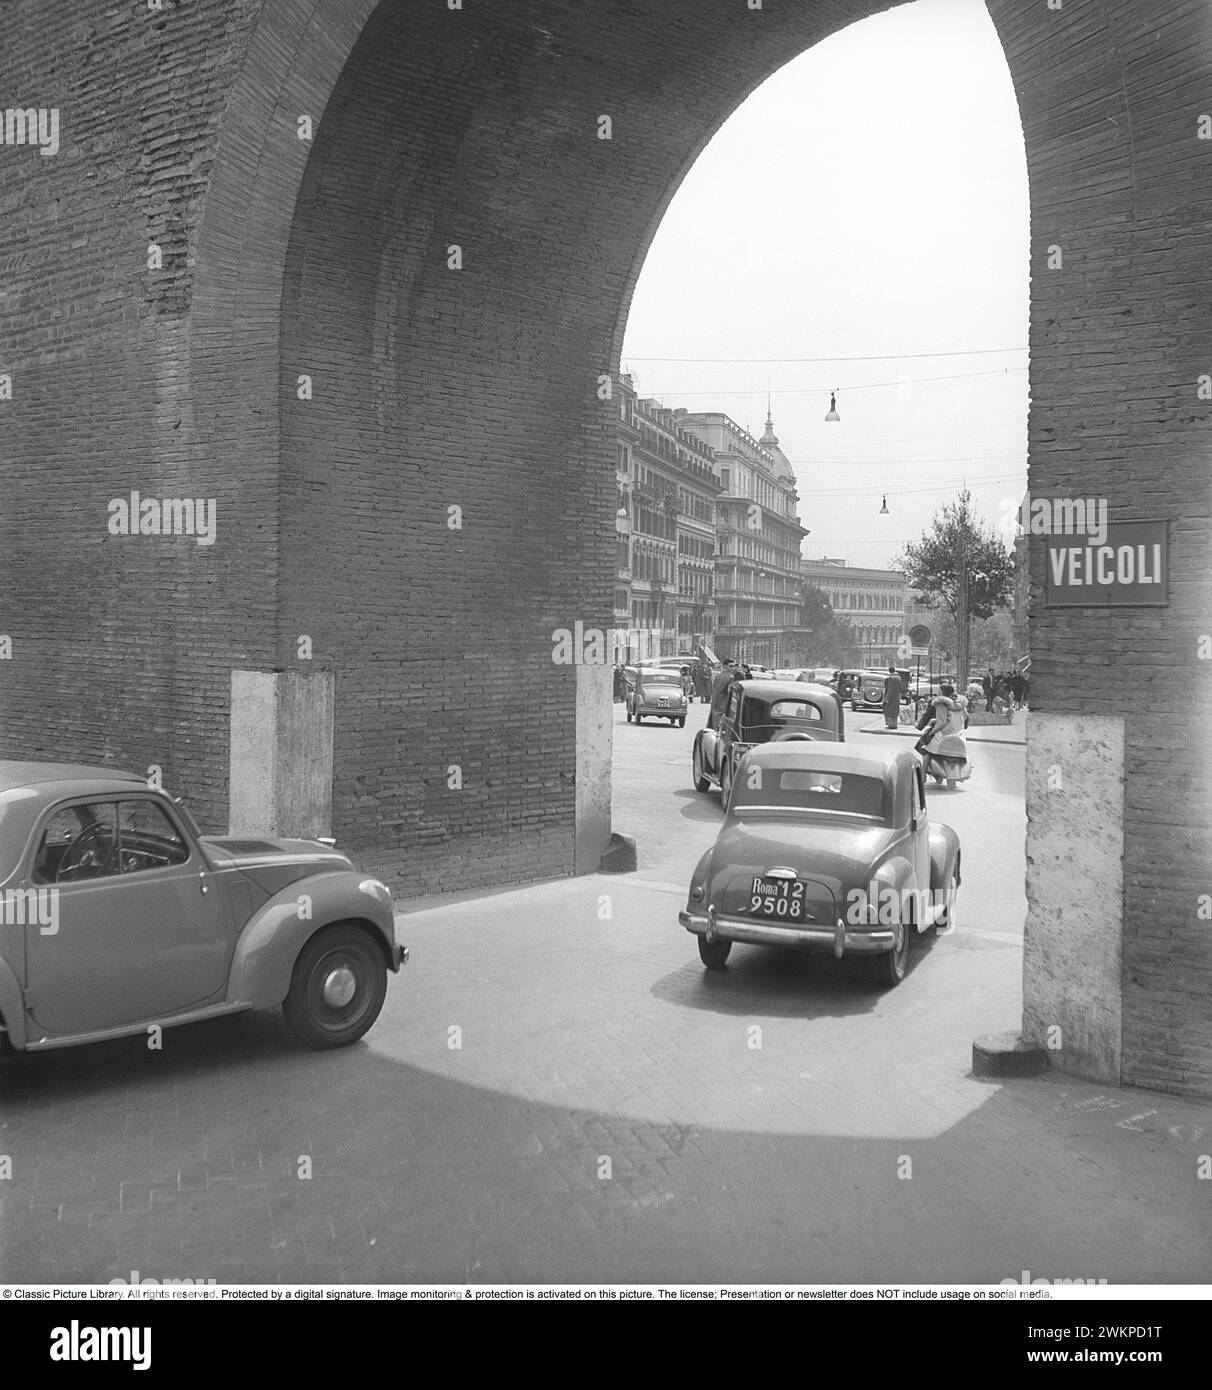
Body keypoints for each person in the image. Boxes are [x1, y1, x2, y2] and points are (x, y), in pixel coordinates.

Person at [914, 681, 972, 788]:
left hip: (945, 735)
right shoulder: (961, 702)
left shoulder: (940, 703)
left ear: (942, 692)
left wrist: (932, 731)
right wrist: (964, 727)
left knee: (925, 749)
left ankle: (922, 776)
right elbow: (967, 717)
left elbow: (942, 722)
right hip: (959, 734)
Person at [707, 658, 740, 731]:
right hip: (723, 705)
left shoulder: (718, 676)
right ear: (725, 666)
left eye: (733, 666)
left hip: (716, 704)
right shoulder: (730, 677)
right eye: (731, 666)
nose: (733, 668)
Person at [882, 664, 902, 730]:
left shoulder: (891, 678)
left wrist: (887, 698)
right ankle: (895, 724)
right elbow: (900, 688)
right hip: (897, 698)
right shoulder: (899, 678)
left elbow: (890, 689)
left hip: (891, 698)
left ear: (889, 671)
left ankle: (891, 724)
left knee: (887, 710)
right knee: (895, 711)